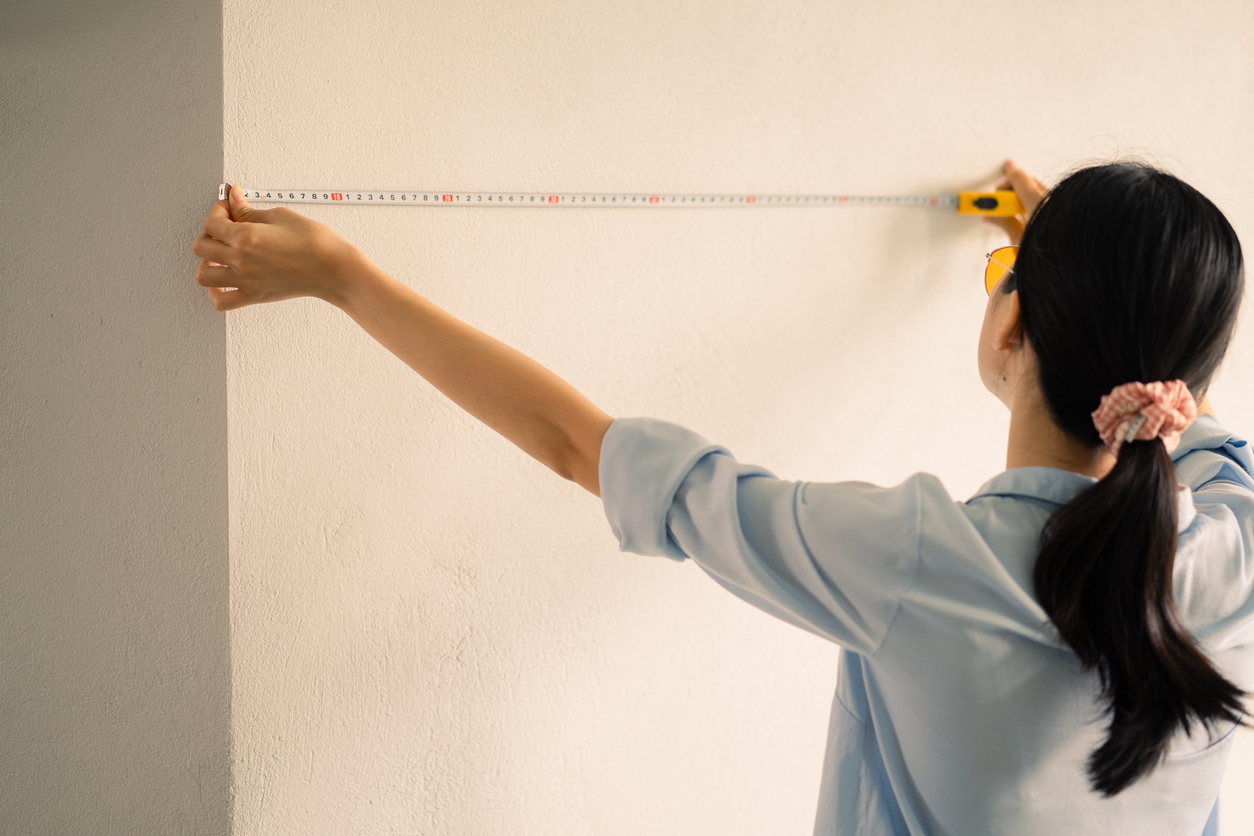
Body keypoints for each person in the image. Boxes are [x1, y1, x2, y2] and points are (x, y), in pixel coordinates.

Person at [193, 160, 1254, 835]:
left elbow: (579, 445)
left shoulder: (915, 555)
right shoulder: (1234, 553)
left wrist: (344, 276)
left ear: (1011, 327)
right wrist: (1076, 276)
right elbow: (1199, 428)